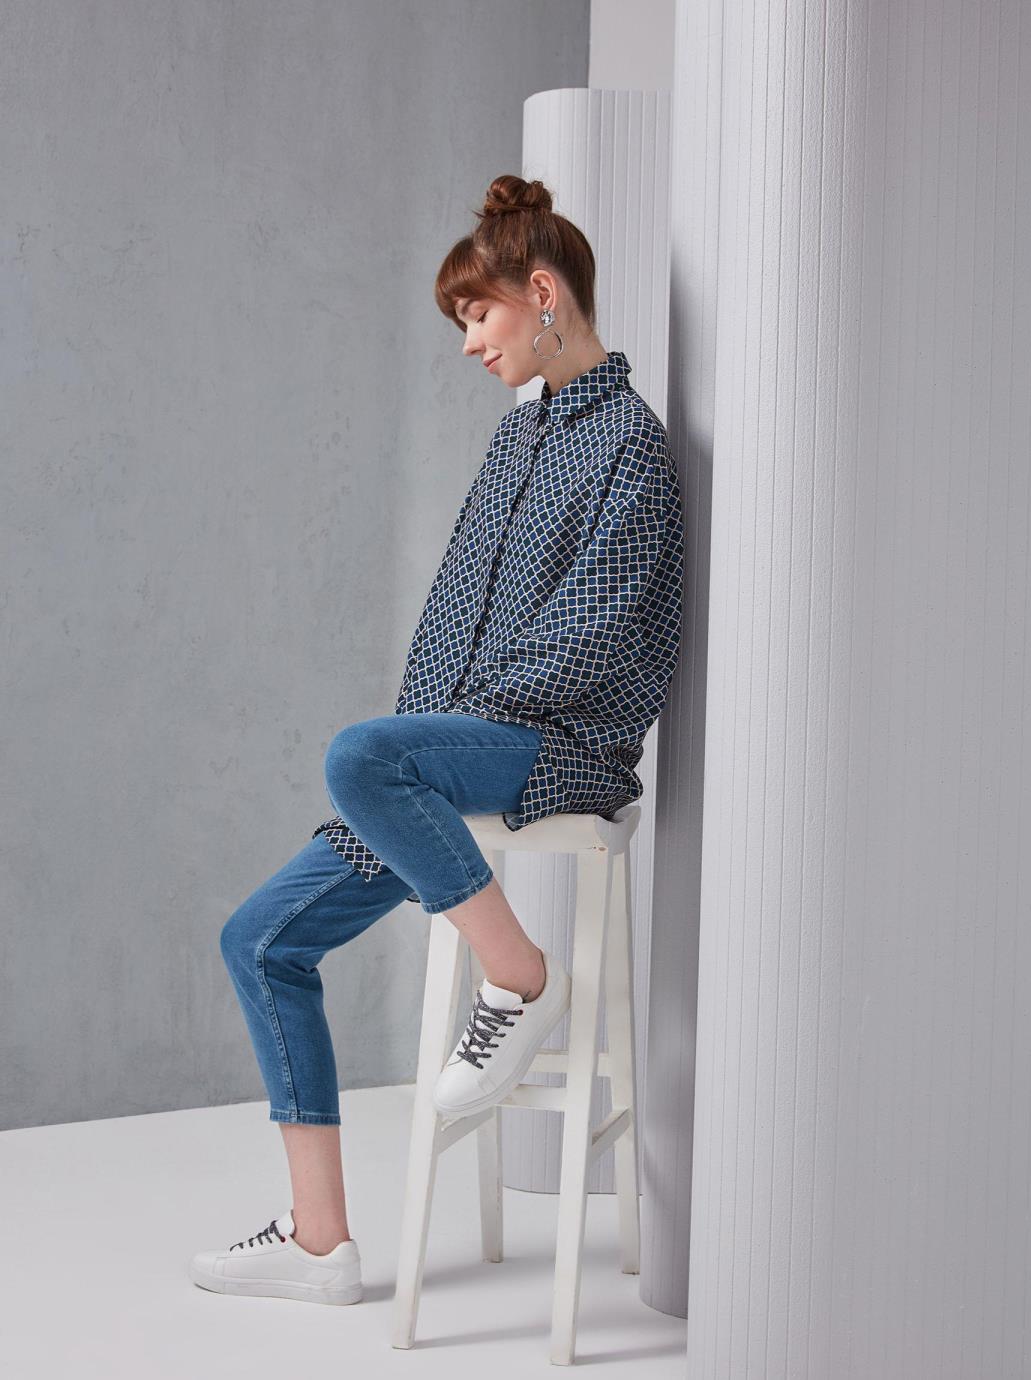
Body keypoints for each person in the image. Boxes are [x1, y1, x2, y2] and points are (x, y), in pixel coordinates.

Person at [188, 174, 684, 1306]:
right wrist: (421, 749)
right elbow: (450, 619)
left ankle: (520, 979)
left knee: (360, 753)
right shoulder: (516, 443)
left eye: (479, 314)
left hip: (560, 746)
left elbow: (603, 633)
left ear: (543, 293)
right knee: (259, 940)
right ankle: (321, 1243)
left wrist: (426, 746)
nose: (468, 343)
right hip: (452, 753)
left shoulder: (632, 446)